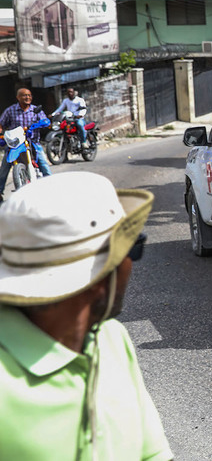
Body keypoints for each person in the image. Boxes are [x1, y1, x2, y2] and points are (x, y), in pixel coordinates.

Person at [0, 172, 173, 461]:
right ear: (98, 280)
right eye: (133, 249)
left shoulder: (113, 338)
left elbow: (153, 454)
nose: (131, 264)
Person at [0, 88, 53, 203]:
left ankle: (52, 188)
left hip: (33, 142)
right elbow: (1, 124)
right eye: (24, 95)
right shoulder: (11, 110)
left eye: (29, 95)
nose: (27, 97)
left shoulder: (35, 110)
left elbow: (46, 121)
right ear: (18, 97)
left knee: (44, 165)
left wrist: (43, 123)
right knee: (4, 169)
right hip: (15, 144)